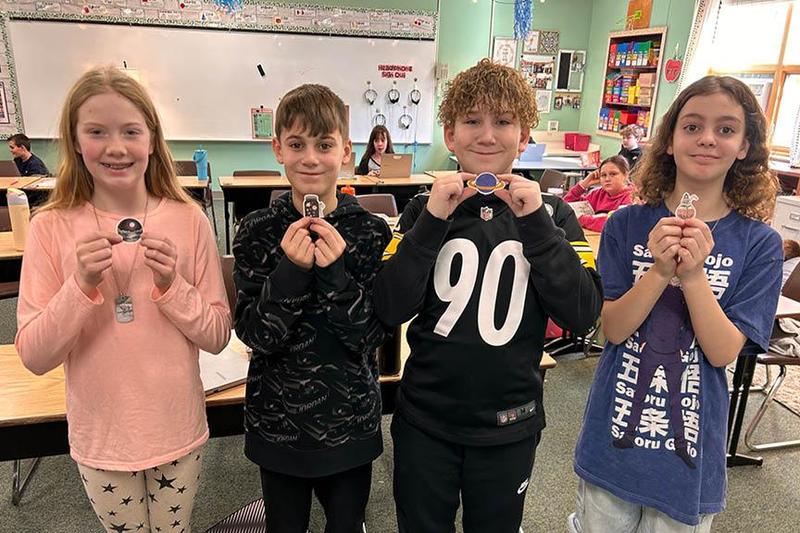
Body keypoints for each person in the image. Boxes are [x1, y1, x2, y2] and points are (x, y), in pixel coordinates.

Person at [375, 58, 603, 533]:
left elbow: (582, 314)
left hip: (509, 421)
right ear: (450, 134)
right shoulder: (422, 208)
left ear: (523, 137)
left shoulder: (555, 215)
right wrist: (432, 221)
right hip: (426, 418)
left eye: (503, 122)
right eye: (472, 121)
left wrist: (537, 225)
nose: (486, 135)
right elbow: (389, 306)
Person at [15, 66, 231, 533]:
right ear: (75, 141)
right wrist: (79, 286)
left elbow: (216, 336)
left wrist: (173, 285)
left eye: (131, 131)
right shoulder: (50, 228)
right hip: (103, 436)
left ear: (152, 140)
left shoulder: (188, 220)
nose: (116, 147)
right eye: (97, 131)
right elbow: (33, 355)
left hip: (176, 427)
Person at [570, 75, 783, 532]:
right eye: (692, 126)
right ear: (669, 140)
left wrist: (691, 275)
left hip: (690, 452)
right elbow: (614, 329)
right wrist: (660, 271)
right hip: (612, 438)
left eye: (726, 129)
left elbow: (724, 351)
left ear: (745, 146)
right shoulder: (626, 225)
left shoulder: (759, 244)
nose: (707, 138)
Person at [233, 83, 391, 533]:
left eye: (324, 145)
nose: (310, 158)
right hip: (278, 423)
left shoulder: (368, 231)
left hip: (350, 421)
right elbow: (255, 335)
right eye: (297, 145)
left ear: (345, 150)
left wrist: (337, 274)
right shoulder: (256, 230)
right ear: (277, 148)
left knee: (347, 524)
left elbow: (369, 337)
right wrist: (291, 272)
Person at [563, 155, 634, 231]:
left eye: (613, 174)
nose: (607, 179)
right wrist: (583, 185)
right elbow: (564, 207)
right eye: (603, 175)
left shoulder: (632, 196)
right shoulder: (597, 194)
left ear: (626, 175)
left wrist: (580, 219)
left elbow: (613, 223)